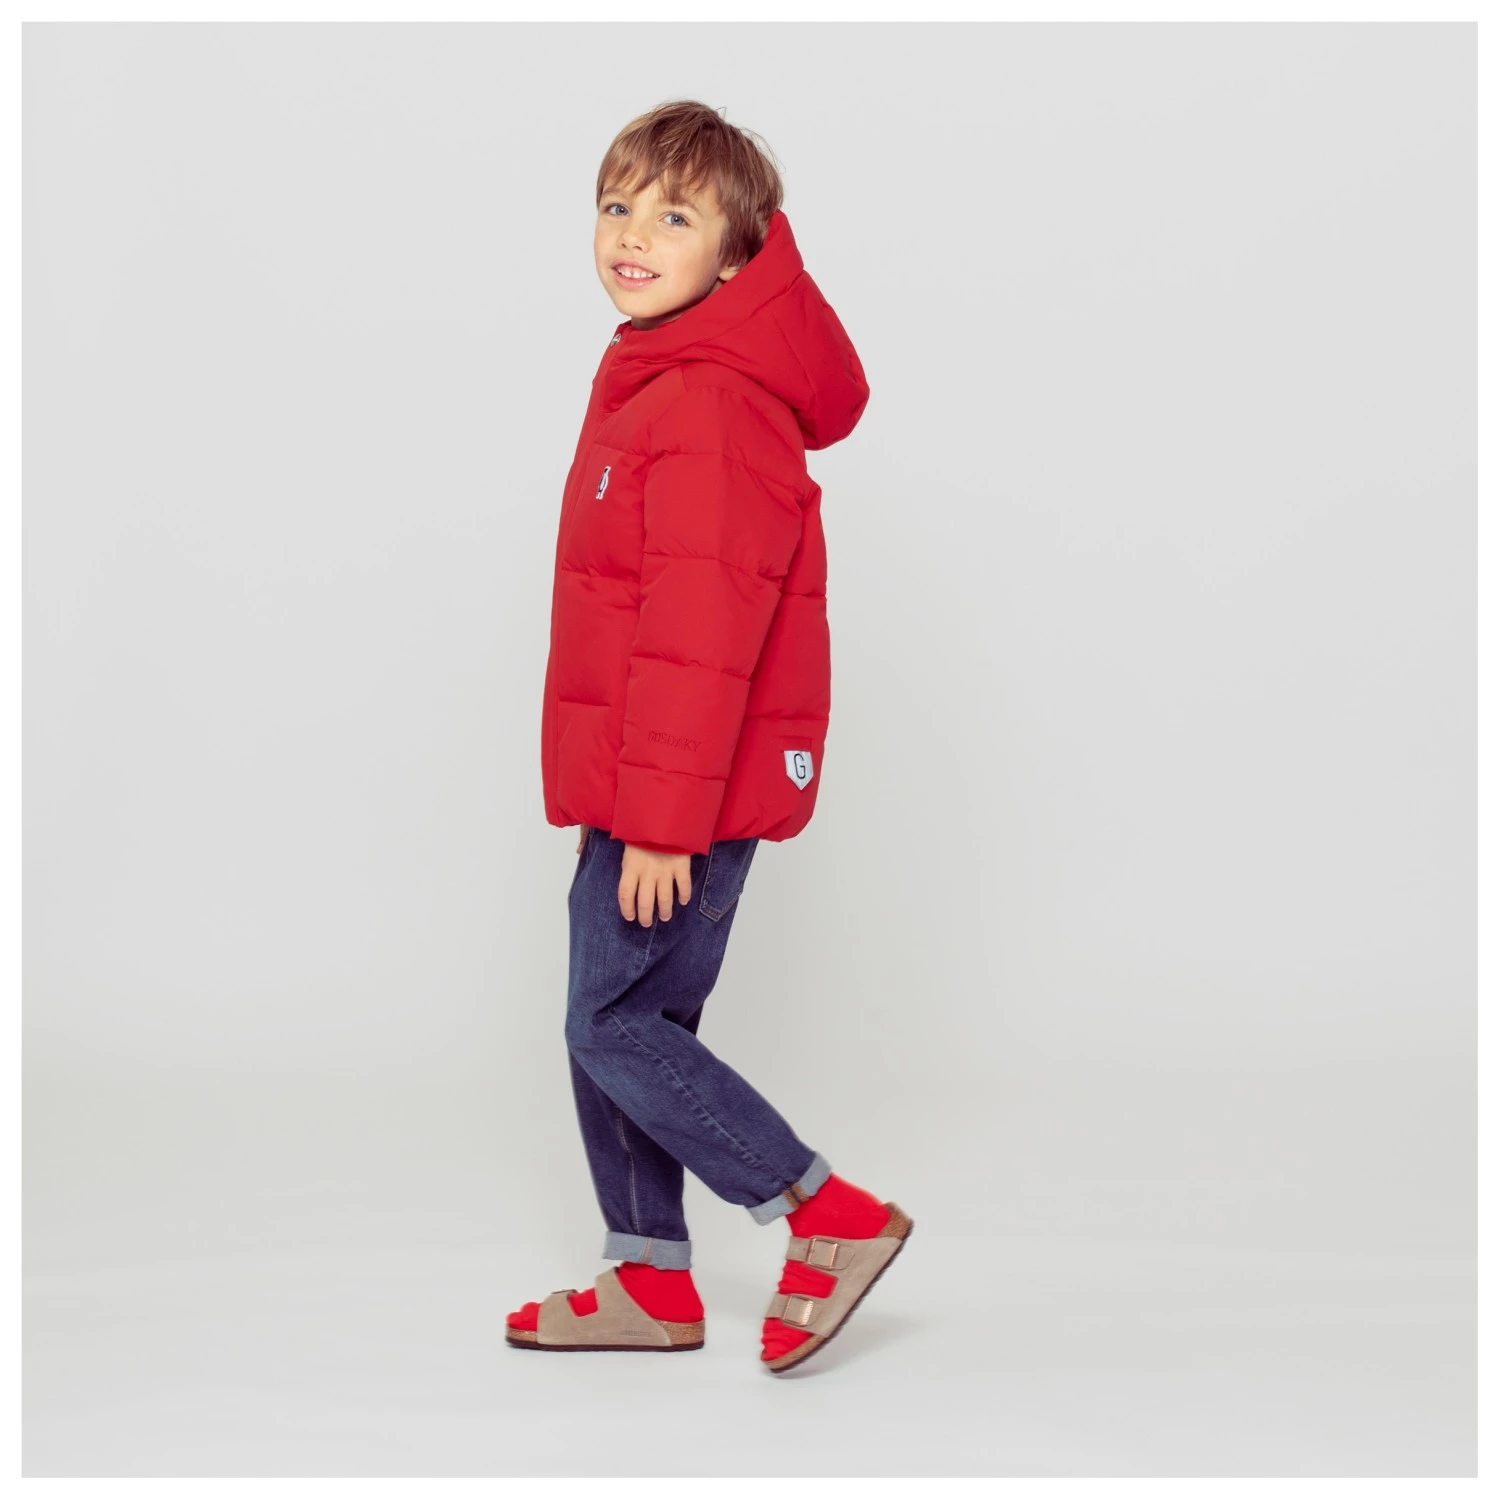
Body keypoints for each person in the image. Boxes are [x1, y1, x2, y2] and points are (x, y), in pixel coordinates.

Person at [511, 99, 913, 1373]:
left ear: (738, 257)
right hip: (642, 783)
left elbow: (702, 631)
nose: (632, 235)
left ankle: (824, 1213)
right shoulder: (662, 374)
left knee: (608, 1024)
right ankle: (649, 1278)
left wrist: (661, 823)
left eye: (673, 216)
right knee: (630, 1024)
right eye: (617, 205)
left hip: (678, 797)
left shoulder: (706, 400)